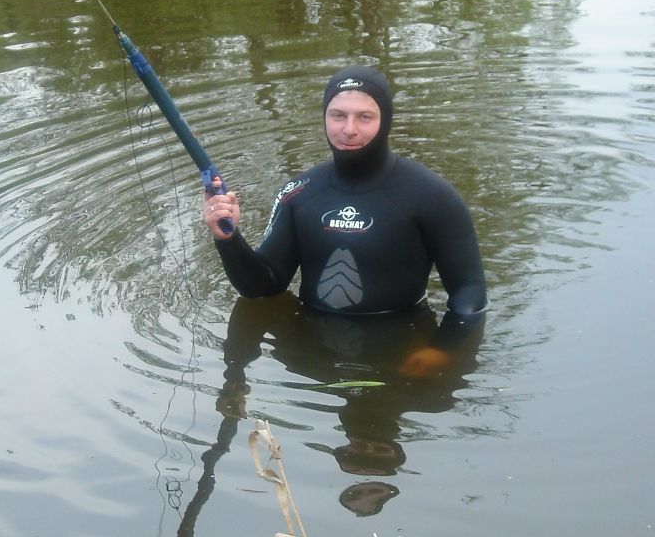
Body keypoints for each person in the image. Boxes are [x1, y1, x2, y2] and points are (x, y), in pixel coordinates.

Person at [201, 65, 486, 374]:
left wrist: (443, 349)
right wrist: (228, 239)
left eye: (364, 117)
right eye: (338, 115)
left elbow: (469, 292)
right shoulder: (298, 193)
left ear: (385, 120)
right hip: (311, 350)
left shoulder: (431, 195)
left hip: (403, 345)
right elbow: (261, 287)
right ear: (325, 117)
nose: (349, 129)